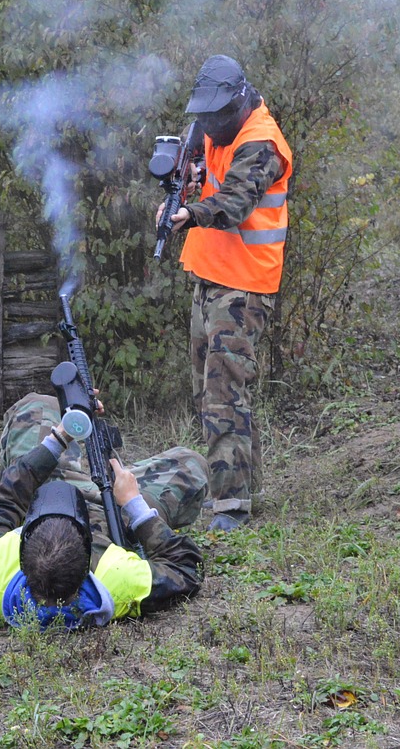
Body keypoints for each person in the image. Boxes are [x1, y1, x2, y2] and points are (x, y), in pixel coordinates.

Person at [156, 55, 294, 532]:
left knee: (223, 391)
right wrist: (182, 187)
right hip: (210, 276)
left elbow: (235, 202)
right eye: (204, 115)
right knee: (209, 389)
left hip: (244, 284)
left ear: (237, 102)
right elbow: (203, 181)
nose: (208, 123)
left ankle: (230, 505)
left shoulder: (262, 141)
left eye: (216, 114)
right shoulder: (215, 132)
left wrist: (189, 214)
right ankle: (243, 488)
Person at [0, 393, 209, 629]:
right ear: (89, 557)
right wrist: (135, 505)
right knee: (191, 463)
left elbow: (4, 499)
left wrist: (60, 436)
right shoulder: (118, 577)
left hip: (43, 488)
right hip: (115, 507)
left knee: (38, 404)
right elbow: (187, 568)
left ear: (22, 542)